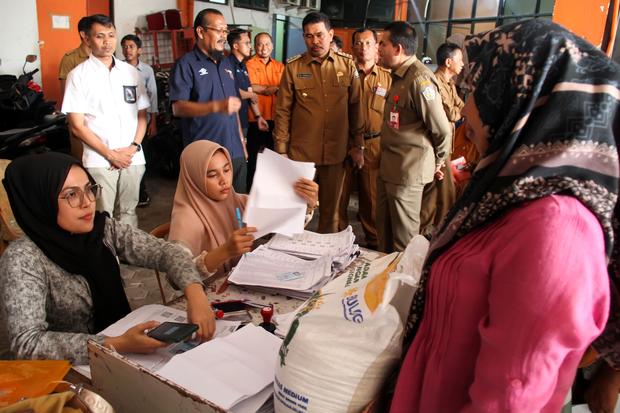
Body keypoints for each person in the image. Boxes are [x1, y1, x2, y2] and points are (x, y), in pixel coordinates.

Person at [390, 19, 619, 412]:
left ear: (518, 98)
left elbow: (508, 400)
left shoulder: (556, 228)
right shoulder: (506, 193)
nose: (466, 108)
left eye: (476, 91)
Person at [0, 152, 215, 365]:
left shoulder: (102, 230)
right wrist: (116, 344)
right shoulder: (23, 259)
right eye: (71, 195)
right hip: (73, 372)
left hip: (127, 350)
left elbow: (167, 252)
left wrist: (195, 293)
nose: (88, 203)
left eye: (89, 189)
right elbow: (28, 344)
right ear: (40, 202)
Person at [168, 140, 319, 277]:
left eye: (227, 170)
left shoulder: (237, 202)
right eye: (213, 175)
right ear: (194, 179)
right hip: (206, 300)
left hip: (242, 284)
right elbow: (176, 276)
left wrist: (306, 203)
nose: (224, 180)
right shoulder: (186, 218)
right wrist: (224, 251)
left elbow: (280, 224)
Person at [274, 11, 364, 234]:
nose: (315, 41)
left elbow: (356, 108)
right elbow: (282, 112)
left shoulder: (347, 66)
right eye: (309, 36)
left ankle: (326, 261)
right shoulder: (293, 68)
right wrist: (281, 150)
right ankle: (290, 258)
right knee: (296, 211)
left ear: (331, 34)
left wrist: (358, 145)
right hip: (301, 156)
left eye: (320, 35)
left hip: (336, 154)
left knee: (331, 215)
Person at [62, 14, 148, 228]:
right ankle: (108, 260)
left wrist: (133, 147)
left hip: (132, 158)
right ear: (87, 38)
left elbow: (142, 115)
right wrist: (110, 154)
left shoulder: (131, 73)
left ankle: (128, 254)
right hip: (100, 161)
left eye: (111, 35)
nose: (107, 41)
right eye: (100, 36)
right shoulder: (78, 76)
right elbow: (77, 126)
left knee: (129, 212)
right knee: (103, 216)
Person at [376, 21, 451, 252]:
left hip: (407, 174)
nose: (378, 49)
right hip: (390, 168)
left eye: (382, 44)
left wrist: (437, 162)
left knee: (403, 243)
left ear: (398, 49)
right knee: (385, 235)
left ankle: (403, 287)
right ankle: (383, 285)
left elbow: (442, 129)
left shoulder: (419, 79)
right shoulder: (399, 76)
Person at [169, 8, 247, 194]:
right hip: (206, 154)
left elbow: (233, 108)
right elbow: (178, 108)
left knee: (238, 209)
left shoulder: (227, 64)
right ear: (201, 32)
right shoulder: (186, 64)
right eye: (219, 30)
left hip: (234, 151)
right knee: (209, 212)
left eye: (225, 31)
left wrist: (242, 144)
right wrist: (215, 106)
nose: (223, 36)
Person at [337, 28, 391, 250]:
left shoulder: (388, 78)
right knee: (339, 197)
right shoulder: (341, 75)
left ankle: (373, 244)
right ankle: (337, 243)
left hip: (374, 145)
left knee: (371, 199)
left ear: (377, 46)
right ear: (352, 47)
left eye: (368, 43)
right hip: (343, 144)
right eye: (358, 43)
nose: (363, 47)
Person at [418, 42, 464, 235]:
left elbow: (462, 107)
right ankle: (438, 235)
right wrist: (462, 111)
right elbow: (453, 114)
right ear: (448, 61)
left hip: (445, 147)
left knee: (433, 196)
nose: (462, 64)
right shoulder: (435, 82)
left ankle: (422, 233)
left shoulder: (449, 83)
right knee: (445, 196)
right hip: (437, 148)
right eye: (459, 60)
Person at [121, 34, 159, 208]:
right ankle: (127, 192)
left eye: (131, 47)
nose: (127, 50)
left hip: (143, 122)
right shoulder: (118, 68)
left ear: (139, 50)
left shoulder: (147, 70)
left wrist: (153, 122)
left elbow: (153, 96)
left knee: (140, 158)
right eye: (125, 47)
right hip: (125, 122)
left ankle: (141, 190)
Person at [245, 32, 284, 190]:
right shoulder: (249, 64)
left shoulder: (280, 66)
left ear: (273, 46)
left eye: (267, 44)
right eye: (260, 44)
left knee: (272, 157)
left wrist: (263, 88)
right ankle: (250, 192)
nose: (264, 48)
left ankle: (268, 191)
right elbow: (250, 87)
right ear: (255, 46)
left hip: (275, 119)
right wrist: (269, 89)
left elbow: (285, 88)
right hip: (255, 118)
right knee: (254, 158)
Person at [225, 28, 269, 159]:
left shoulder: (242, 65)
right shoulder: (227, 64)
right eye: (247, 43)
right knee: (235, 160)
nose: (251, 46)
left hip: (244, 122)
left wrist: (258, 116)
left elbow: (249, 90)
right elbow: (230, 91)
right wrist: (251, 95)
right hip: (232, 122)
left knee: (246, 158)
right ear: (235, 45)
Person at [58, 15, 91, 161]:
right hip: (80, 118)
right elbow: (67, 94)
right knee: (81, 158)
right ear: (84, 35)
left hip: (100, 118)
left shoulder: (103, 57)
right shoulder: (70, 58)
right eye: (98, 33)